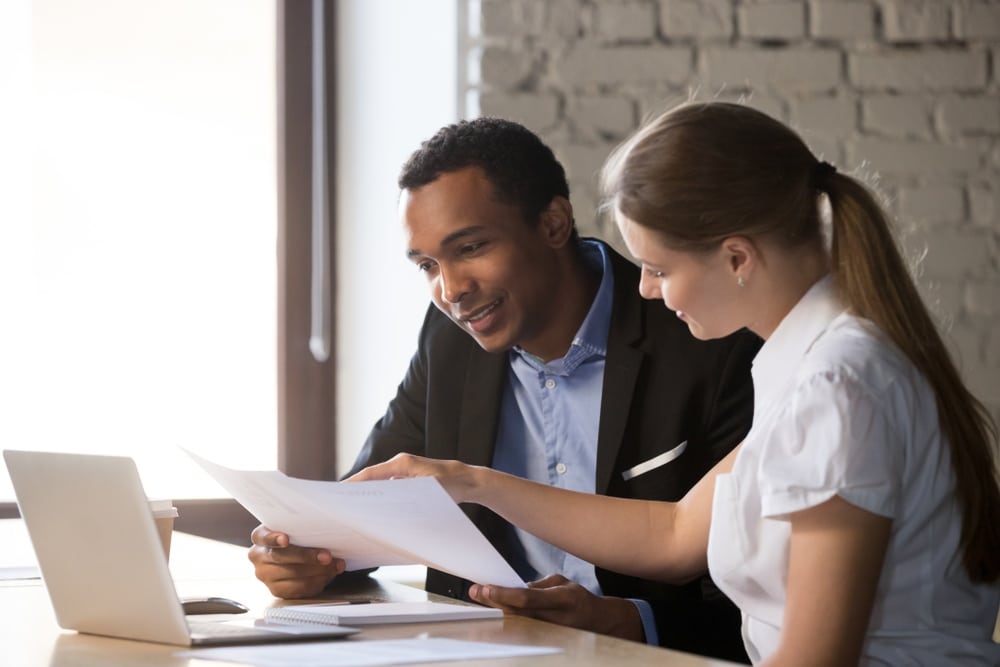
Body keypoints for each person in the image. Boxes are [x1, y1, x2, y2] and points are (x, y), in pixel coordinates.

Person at [351, 102, 1000, 666]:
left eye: (659, 267)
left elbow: (812, 659)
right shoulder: (810, 365)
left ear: (737, 258)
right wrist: (472, 482)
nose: (646, 289)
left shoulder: (837, 386)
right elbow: (673, 533)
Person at [249, 117, 762, 662]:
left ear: (554, 223)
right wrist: (306, 556)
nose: (450, 291)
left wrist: (633, 620)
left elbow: (761, 601)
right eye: (427, 265)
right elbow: (369, 502)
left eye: (469, 248)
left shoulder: (709, 342)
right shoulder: (448, 342)